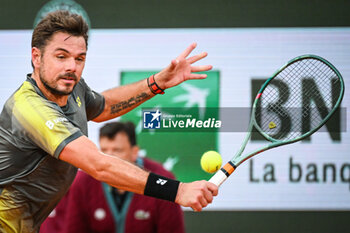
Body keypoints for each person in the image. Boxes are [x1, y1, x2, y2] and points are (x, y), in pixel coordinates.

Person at [0, 10, 217, 233]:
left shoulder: (72, 87)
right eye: (61, 56)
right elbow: (99, 165)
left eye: (79, 58)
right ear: (36, 57)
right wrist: (178, 191)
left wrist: (156, 83)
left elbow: (104, 106)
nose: (71, 67)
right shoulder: (31, 109)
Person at [40, 121, 185, 233]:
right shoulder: (82, 182)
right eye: (104, 150)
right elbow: (75, 229)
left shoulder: (163, 181)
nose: (109, 157)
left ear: (134, 152)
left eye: (117, 150)